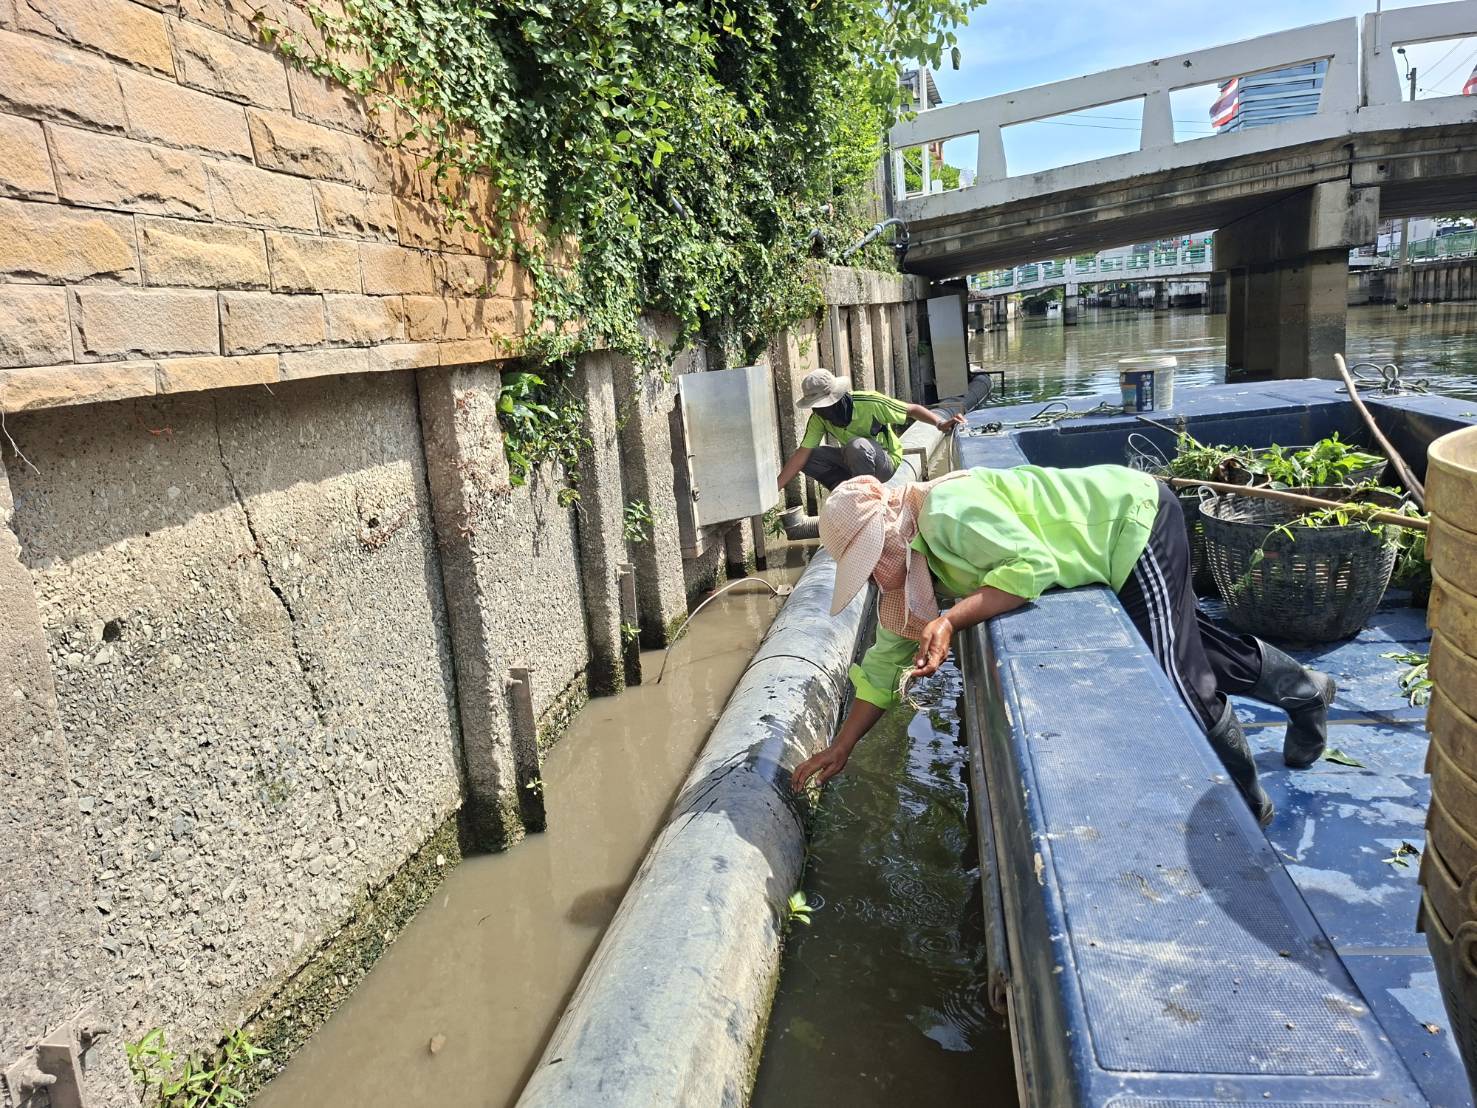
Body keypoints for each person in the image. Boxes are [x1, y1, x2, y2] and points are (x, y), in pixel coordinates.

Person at [788, 465, 1338, 828]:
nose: (876, 573)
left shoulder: (945, 512)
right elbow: (883, 664)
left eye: (873, 557)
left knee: (1177, 676)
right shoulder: (909, 578)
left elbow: (1031, 566)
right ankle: (1305, 690)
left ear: (890, 532)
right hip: (1104, 549)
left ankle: (1249, 807)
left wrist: (952, 620)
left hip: (1131, 524)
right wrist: (843, 746)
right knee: (1193, 647)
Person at [775, 369, 965, 492]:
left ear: (837, 398)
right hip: (855, 461)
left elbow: (912, 410)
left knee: (857, 446)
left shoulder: (870, 402)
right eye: (817, 407)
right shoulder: (819, 418)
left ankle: (865, 497)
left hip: (885, 461)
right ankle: (846, 492)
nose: (821, 411)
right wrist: (775, 489)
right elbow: (802, 455)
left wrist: (940, 424)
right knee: (810, 458)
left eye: (824, 406)